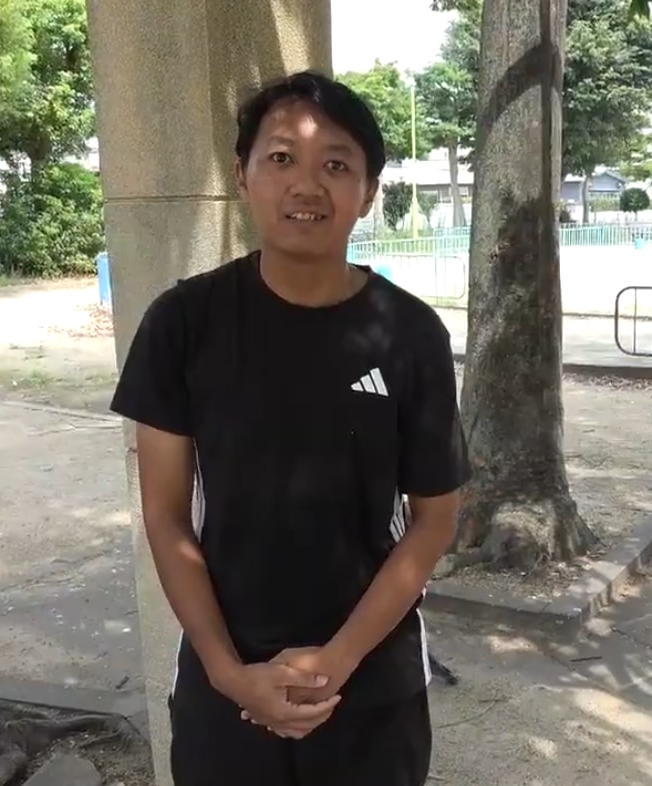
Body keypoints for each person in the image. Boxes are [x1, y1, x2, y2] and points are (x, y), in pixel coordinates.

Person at [109, 70, 471, 786]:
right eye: (280, 158)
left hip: (371, 679)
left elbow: (433, 519)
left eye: (336, 165)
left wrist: (336, 660)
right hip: (225, 675)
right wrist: (227, 673)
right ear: (241, 175)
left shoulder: (410, 333)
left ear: (368, 192)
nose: (306, 185)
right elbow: (166, 516)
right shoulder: (183, 323)